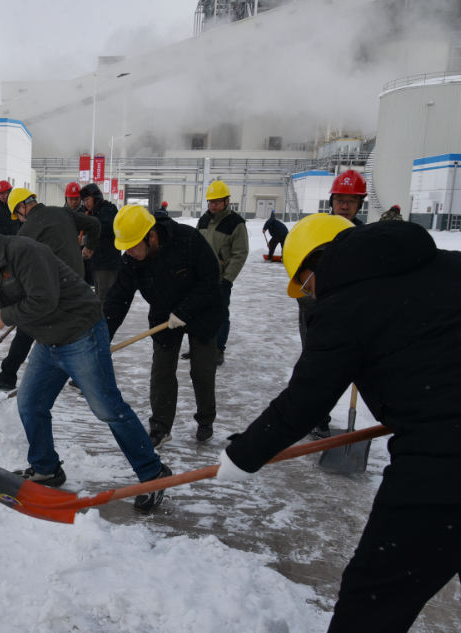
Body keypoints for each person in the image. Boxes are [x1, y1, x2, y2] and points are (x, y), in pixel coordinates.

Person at [216, 214, 461, 633]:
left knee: (375, 595)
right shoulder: (450, 264)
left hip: (444, 461)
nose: (310, 294)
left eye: (307, 284)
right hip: (440, 429)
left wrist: (243, 455)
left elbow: (303, 403)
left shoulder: (343, 306)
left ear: (319, 262)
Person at [0, 211, 174, 513]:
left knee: (108, 408)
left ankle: (153, 474)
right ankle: (46, 468)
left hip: (80, 335)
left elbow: (44, 299)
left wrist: (6, 315)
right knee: (30, 403)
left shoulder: (24, 252)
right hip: (48, 340)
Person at [104, 205, 224, 446]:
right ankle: (160, 427)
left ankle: (205, 419)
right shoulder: (131, 259)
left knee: (202, 369)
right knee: (162, 370)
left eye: (132, 246)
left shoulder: (186, 239)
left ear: (151, 235)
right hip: (163, 315)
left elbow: (211, 278)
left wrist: (184, 311)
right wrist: (101, 338)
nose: (128, 252)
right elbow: (117, 300)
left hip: (203, 311)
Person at [0, 188, 101, 391]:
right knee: (76, 330)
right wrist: (89, 247)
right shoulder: (63, 212)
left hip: (54, 285)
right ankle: (84, 376)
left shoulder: (27, 230)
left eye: (18, 215)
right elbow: (94, 224)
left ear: (22, 206)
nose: (19, 219)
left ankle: (8, 375)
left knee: (28, 327)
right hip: (76, 284)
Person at [299, 170, 366, 438]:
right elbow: (298, 267)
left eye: (351, 200)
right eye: (340, 200)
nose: (345, 206)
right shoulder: (315, 230)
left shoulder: (366, 235)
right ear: (332, 202)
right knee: (317, 364)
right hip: (315, 307)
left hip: (354, 309)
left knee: (353, 363)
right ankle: (318, 417)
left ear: (360, 204)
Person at [187, 181, 248, 365]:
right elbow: (195, 246)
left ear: (227, 200)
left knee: (220, 315)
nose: (213, 204)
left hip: (220, 280)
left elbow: (240, 254)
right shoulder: (204, 220)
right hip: (200, 278)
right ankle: (199, 347)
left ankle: (218, 349)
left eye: (217, 201)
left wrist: (228, 279)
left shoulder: (235, 223)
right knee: (197, 313)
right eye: (210, 201)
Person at [79, 183, 122, 301]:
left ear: (96, 197)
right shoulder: (94, 212)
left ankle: (106, 319)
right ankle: (102, 318)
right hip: (99, 261)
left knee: (105, 297)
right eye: (84, 200)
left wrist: (90, 228)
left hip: (107, 261)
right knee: (99, 296)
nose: (86, 203)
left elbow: (106, 228)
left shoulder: (106, 210)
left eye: (88, 199)